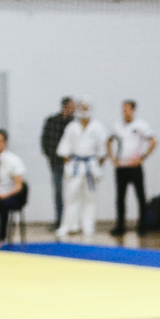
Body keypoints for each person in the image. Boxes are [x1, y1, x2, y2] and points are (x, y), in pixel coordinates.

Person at [57, 100, 108, 238]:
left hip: (91, 165)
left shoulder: (98, 127)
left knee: (90, 199)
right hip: (75, 165)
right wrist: (68, 165)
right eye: (82, 107)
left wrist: (97, 165)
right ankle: (68, 226)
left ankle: (88, 227)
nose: (84, 110)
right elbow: (64, 149)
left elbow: (103, 150)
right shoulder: (72, 127)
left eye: (87, 107)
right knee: (70, 196)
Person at [109, 100, 155, 235]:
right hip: (121, 166)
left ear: (133, 110)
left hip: (134, 166)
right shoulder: (117, 126)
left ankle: (142, 226)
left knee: (140, 196)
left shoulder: (141, 125)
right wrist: (112, 158)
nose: (125, 112)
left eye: (128, 109)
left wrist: (142, 157)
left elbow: (153, 142)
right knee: (120, 197)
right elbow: (108, 140)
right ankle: (120, 226)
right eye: (123, 109)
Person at [41, 97, 76, 226]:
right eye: (72, 105)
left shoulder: (75, 123)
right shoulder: (52, 121)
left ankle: (72, 221)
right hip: (56, 161)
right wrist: (51, 155)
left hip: (72, 162)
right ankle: (60, 220)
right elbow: (45, 140)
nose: (74, 108)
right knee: (58, 191)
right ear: (66, 106)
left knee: (73, 191)